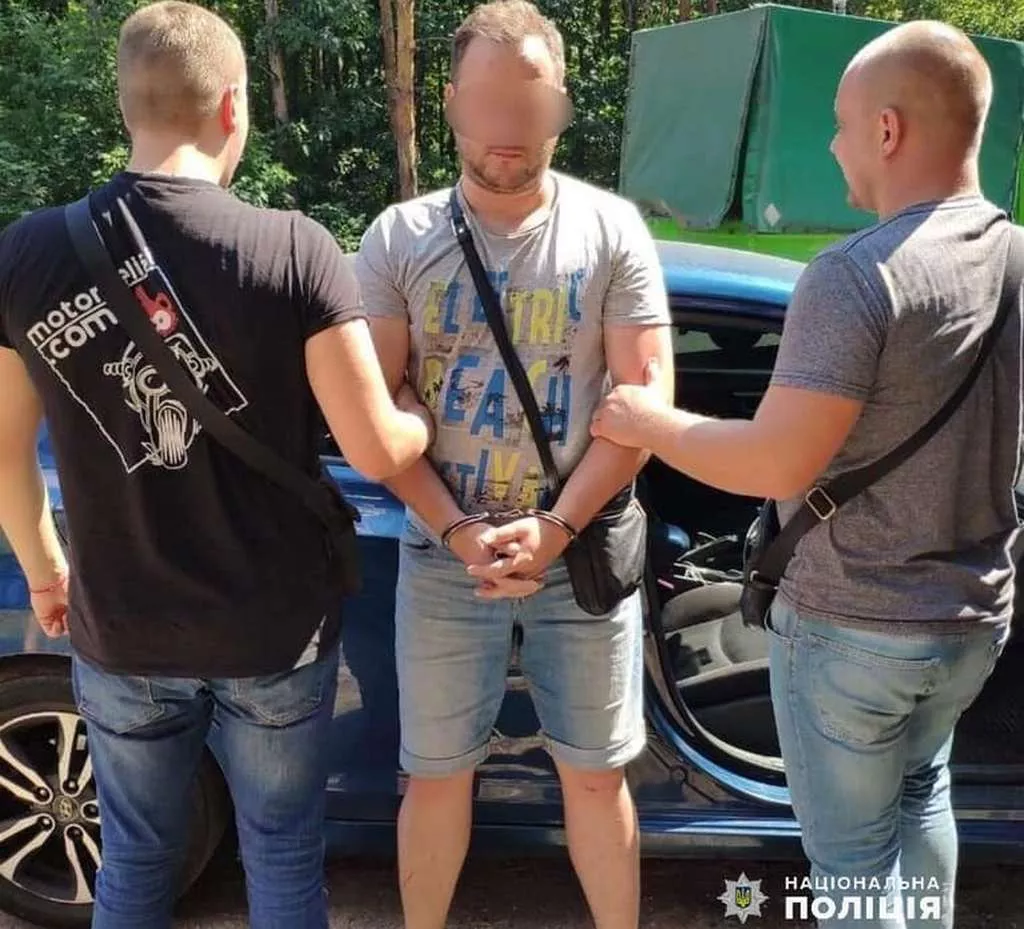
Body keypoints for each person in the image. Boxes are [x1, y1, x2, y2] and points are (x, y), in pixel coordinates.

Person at [0, 2, 434, 928]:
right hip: (272, 631)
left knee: (135, 860)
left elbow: (1, 451)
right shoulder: (294, 247)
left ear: (126, 105)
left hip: (122, 627)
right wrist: (420, 416)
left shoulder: (25, 253)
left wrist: (45, 571)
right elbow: (374, 448)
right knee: (281, 854)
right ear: (233, 106)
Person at [591, 20, 1020, 929]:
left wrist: (645, 420)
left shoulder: (856, 276)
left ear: (888, 131)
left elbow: (776, 459)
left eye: (840, 123)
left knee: (853, 863)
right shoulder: (1016, 260)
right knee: (922, 794)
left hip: (854, 626)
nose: (831, 145)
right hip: (973, 619)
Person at [354, 2, 673, 927]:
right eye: (487, 102)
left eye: (527, 103)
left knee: (596, 775)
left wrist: (558, 525)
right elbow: (381, 408)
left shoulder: (612, 229)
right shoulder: (397, 238)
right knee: (434, 776)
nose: (507, 126)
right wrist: (457, 527)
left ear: (561, 105)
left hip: (580, 552)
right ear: (451, 102)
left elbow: (643, 403)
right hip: (440, 553)